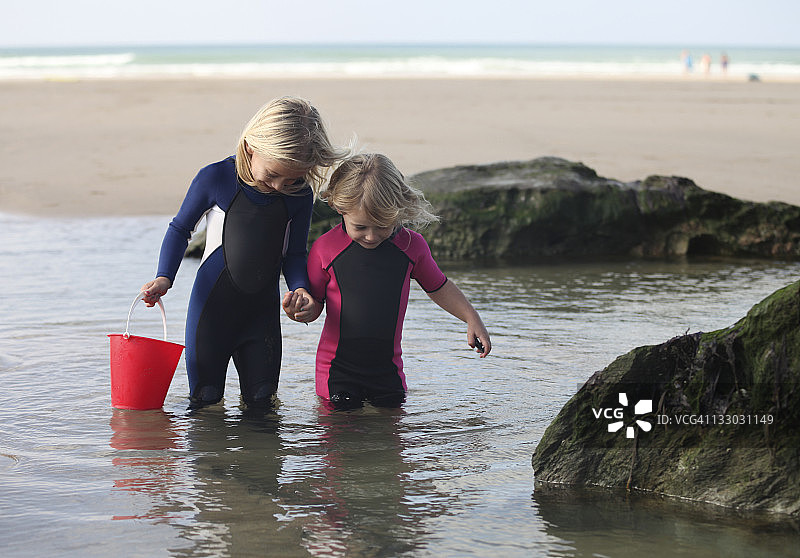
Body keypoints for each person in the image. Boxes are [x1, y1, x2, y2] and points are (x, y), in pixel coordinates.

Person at [141, 96, 348, 409]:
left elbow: (293, 254)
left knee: (263, 405)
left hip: (261, 317)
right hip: (211, 312)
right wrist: (164, 277)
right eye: (272, 175)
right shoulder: (216, 178)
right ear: (251, 146)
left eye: (292, 178)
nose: (280, 186)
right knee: (205, 404)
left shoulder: (299, 194)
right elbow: (181, 229)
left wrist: (300, 289)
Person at [282, 153, 492, 410]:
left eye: (383, 225)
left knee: (391, 440)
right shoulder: (325, 249)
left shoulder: (412, 246)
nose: (371, 236)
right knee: (337, 438)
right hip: (337, 371)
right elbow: (314, 308)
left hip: (388, 371)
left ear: (399, 211)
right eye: (360, 227)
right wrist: (300, 310)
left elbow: (439, 286)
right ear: (339, 208)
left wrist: (472, 318)